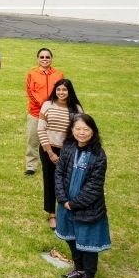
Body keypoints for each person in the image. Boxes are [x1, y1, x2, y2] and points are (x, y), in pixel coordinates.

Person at [55, 114, 110, 278]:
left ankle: (89, 275)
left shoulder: (98, 155)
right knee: (71, 239)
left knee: (88, 245)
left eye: (86, 129)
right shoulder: (68, 148)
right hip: (66, 205)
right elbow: (59, 173)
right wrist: (63, 200)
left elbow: (94, 186)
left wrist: (74, 203)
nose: (81, 132)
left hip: (88, 209)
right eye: (78, 129)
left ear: (93, 131)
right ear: (72, 130)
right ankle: (78, 269)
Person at [39, 78, 84, 230]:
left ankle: (67, 211)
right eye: (58, 89)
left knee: (68, 182)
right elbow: (41, 129)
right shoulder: (47, 105)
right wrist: (50, 153)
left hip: (68, 151)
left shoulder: (76, 109)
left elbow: (79, 131)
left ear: (69, 91)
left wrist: (68, 152)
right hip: (48, 148)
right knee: (50, 181)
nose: (61, 92)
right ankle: (52, 214)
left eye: (64, 90)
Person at [25, 48, 64, 176]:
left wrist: (54, 106)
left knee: (54, 140)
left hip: (53, 113)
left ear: (51, 59)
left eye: (47, 57)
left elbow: (62, 91)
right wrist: (43, 105)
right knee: (33, 140)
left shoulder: (58, 74)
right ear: (38, 59)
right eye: (42, 57)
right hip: (36, 113)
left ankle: (54, 162)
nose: (44, 59)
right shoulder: (32, 74)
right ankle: (31, 165)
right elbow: (30, 92)